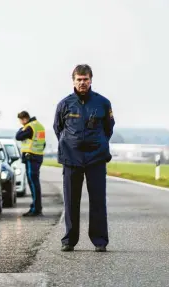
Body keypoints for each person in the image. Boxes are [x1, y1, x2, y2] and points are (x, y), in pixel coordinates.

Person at [53, 64, 115, 252]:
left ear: (91, 80)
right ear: (73, 80)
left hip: (96, 159)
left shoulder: (103, 103)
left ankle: (100, 241)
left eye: (85, 79)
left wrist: (98, 144)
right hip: (71, 159)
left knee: (98, 201)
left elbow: (108, 128)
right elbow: (58, 128)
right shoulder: (64, 104)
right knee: (71, 201)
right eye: (79, 79)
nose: (82, 83)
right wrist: (70, 145)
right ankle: (69, 240)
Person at [15, 111, 46, 217]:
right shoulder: (39, 125)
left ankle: (36, 209)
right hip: (37, 156)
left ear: (24, 119)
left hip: (31, 157)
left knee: (33, 183)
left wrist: (22, 128)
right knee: (34, 183)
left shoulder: (29, 127)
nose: (21, 123)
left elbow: (18, 136)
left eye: (21, 121)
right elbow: (43, 143)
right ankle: (36, 207)